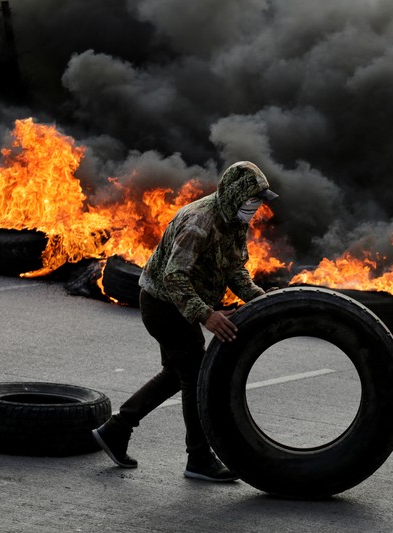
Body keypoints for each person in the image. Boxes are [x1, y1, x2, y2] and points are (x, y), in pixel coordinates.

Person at [92, 161, 279, 482]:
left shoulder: (233, 220)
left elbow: (235, 269)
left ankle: (115, 430)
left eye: (259, 201)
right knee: (196, 375)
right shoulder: (199, 222)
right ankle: (199, 458)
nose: (257, 208)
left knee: (177, 373)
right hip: (163, 304)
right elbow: (174, 275)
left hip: (180, 303)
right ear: (235, 195)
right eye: (253, 200)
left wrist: (262, 300)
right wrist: (207, 315)